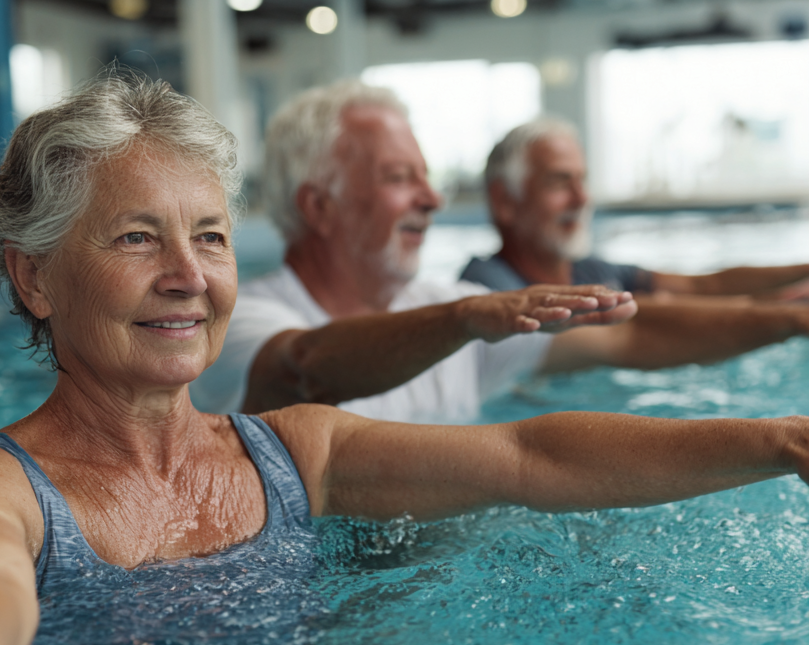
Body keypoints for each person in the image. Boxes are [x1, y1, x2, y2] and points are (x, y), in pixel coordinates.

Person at [0, 74, 809, 645]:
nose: (188, 276)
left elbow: (529, 454)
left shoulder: (295, 450)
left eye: (212, 239)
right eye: (138, 238)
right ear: (35, 276)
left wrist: (778, 439)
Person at [190, 81, 809, 420]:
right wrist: (461, 322)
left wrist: (787, 320)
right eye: (401, 177)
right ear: (319, 207)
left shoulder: (456, 306)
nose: (432, 198)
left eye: (427, 176)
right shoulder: (237, 319)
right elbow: (306, 368)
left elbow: (629, 337)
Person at [462, 117, 809, 298]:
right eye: (559, 182)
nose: (582, 198)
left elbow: (704, 287)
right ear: (505, 201)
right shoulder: (484, 289)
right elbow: (611, 334)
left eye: (582, 180)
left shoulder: (591, 273)